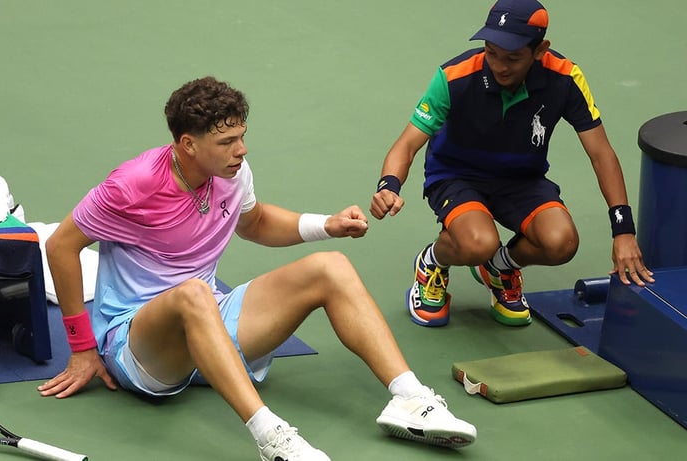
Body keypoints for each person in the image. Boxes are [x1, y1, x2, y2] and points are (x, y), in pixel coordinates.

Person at [36, 77, 476, 459]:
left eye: (241, 137)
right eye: (227, 142)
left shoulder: (232, 171)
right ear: (188, 144)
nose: (241, 150)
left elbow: (257, 222)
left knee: (330, 267)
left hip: (210, 324)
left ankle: (409, 398)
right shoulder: (132, 186)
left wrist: (329, 225)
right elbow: (61, 246)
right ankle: (272, 438)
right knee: (194, 293)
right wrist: (82, 348)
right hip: (140, 345)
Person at [370, 0, 655, 329]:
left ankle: (498, 267)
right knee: (478, 241)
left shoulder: (565, 78)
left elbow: (601, 152)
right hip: (457, 176)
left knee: (561, 242)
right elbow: (406, 144)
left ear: (540, 50)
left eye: (513, 57)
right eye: (491, 52)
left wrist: (623, 230)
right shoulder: (454, 77)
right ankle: (433, 261)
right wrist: (388, 185)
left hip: (521, 180)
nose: (499, 65)